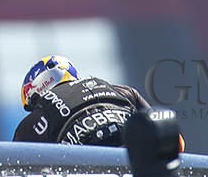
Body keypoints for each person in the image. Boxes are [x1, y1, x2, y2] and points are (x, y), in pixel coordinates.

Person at [12, 55, 155, 147]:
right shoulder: (123, 91)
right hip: (139, 155)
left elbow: (14, 169)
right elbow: (164, 129)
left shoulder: (35, 119)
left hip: (89, 176)